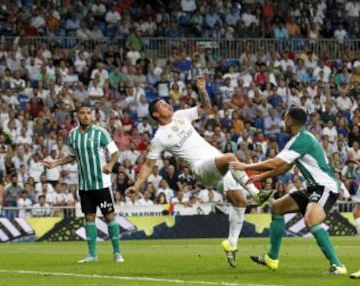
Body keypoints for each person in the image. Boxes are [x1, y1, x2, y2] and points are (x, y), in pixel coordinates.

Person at [125, 76, 272, 268]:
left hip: (217, 164)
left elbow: (206, 108)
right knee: (230, 157)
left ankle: (231, 243)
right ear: (155, 114)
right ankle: (258, 194)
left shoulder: (180, 115)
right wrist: (136, 186)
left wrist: (202, 89)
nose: (167, 105)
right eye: (162, 104)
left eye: (166, 102)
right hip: (202, 169)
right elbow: (147, 165)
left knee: (240, 201)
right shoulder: (160, 137)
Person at [230, 107, 347, 275]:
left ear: (290, 120)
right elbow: (284, 167)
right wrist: (261, 177)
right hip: (313, 188)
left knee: (311, 220)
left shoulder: (301, 139)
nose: (283, 122)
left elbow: (274, 163)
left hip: (325, 187)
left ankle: (338, 266)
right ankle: (272, 257)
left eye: (285, 118)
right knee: (277, 207)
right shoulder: (300, 139)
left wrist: (246, 166)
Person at [41, 104, 124, 263]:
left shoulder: (100, 133)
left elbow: (115, 152)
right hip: (85, 185)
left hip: (101, 184)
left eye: (88, 113)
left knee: (109, 216)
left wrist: (110, 165)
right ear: (77, 116)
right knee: (89, 217)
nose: (86, 116)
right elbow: (72, 156)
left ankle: (117, 252)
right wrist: (56, 163)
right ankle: (92, 255)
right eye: (82, 113)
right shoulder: (72, 135)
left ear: (91, 116)